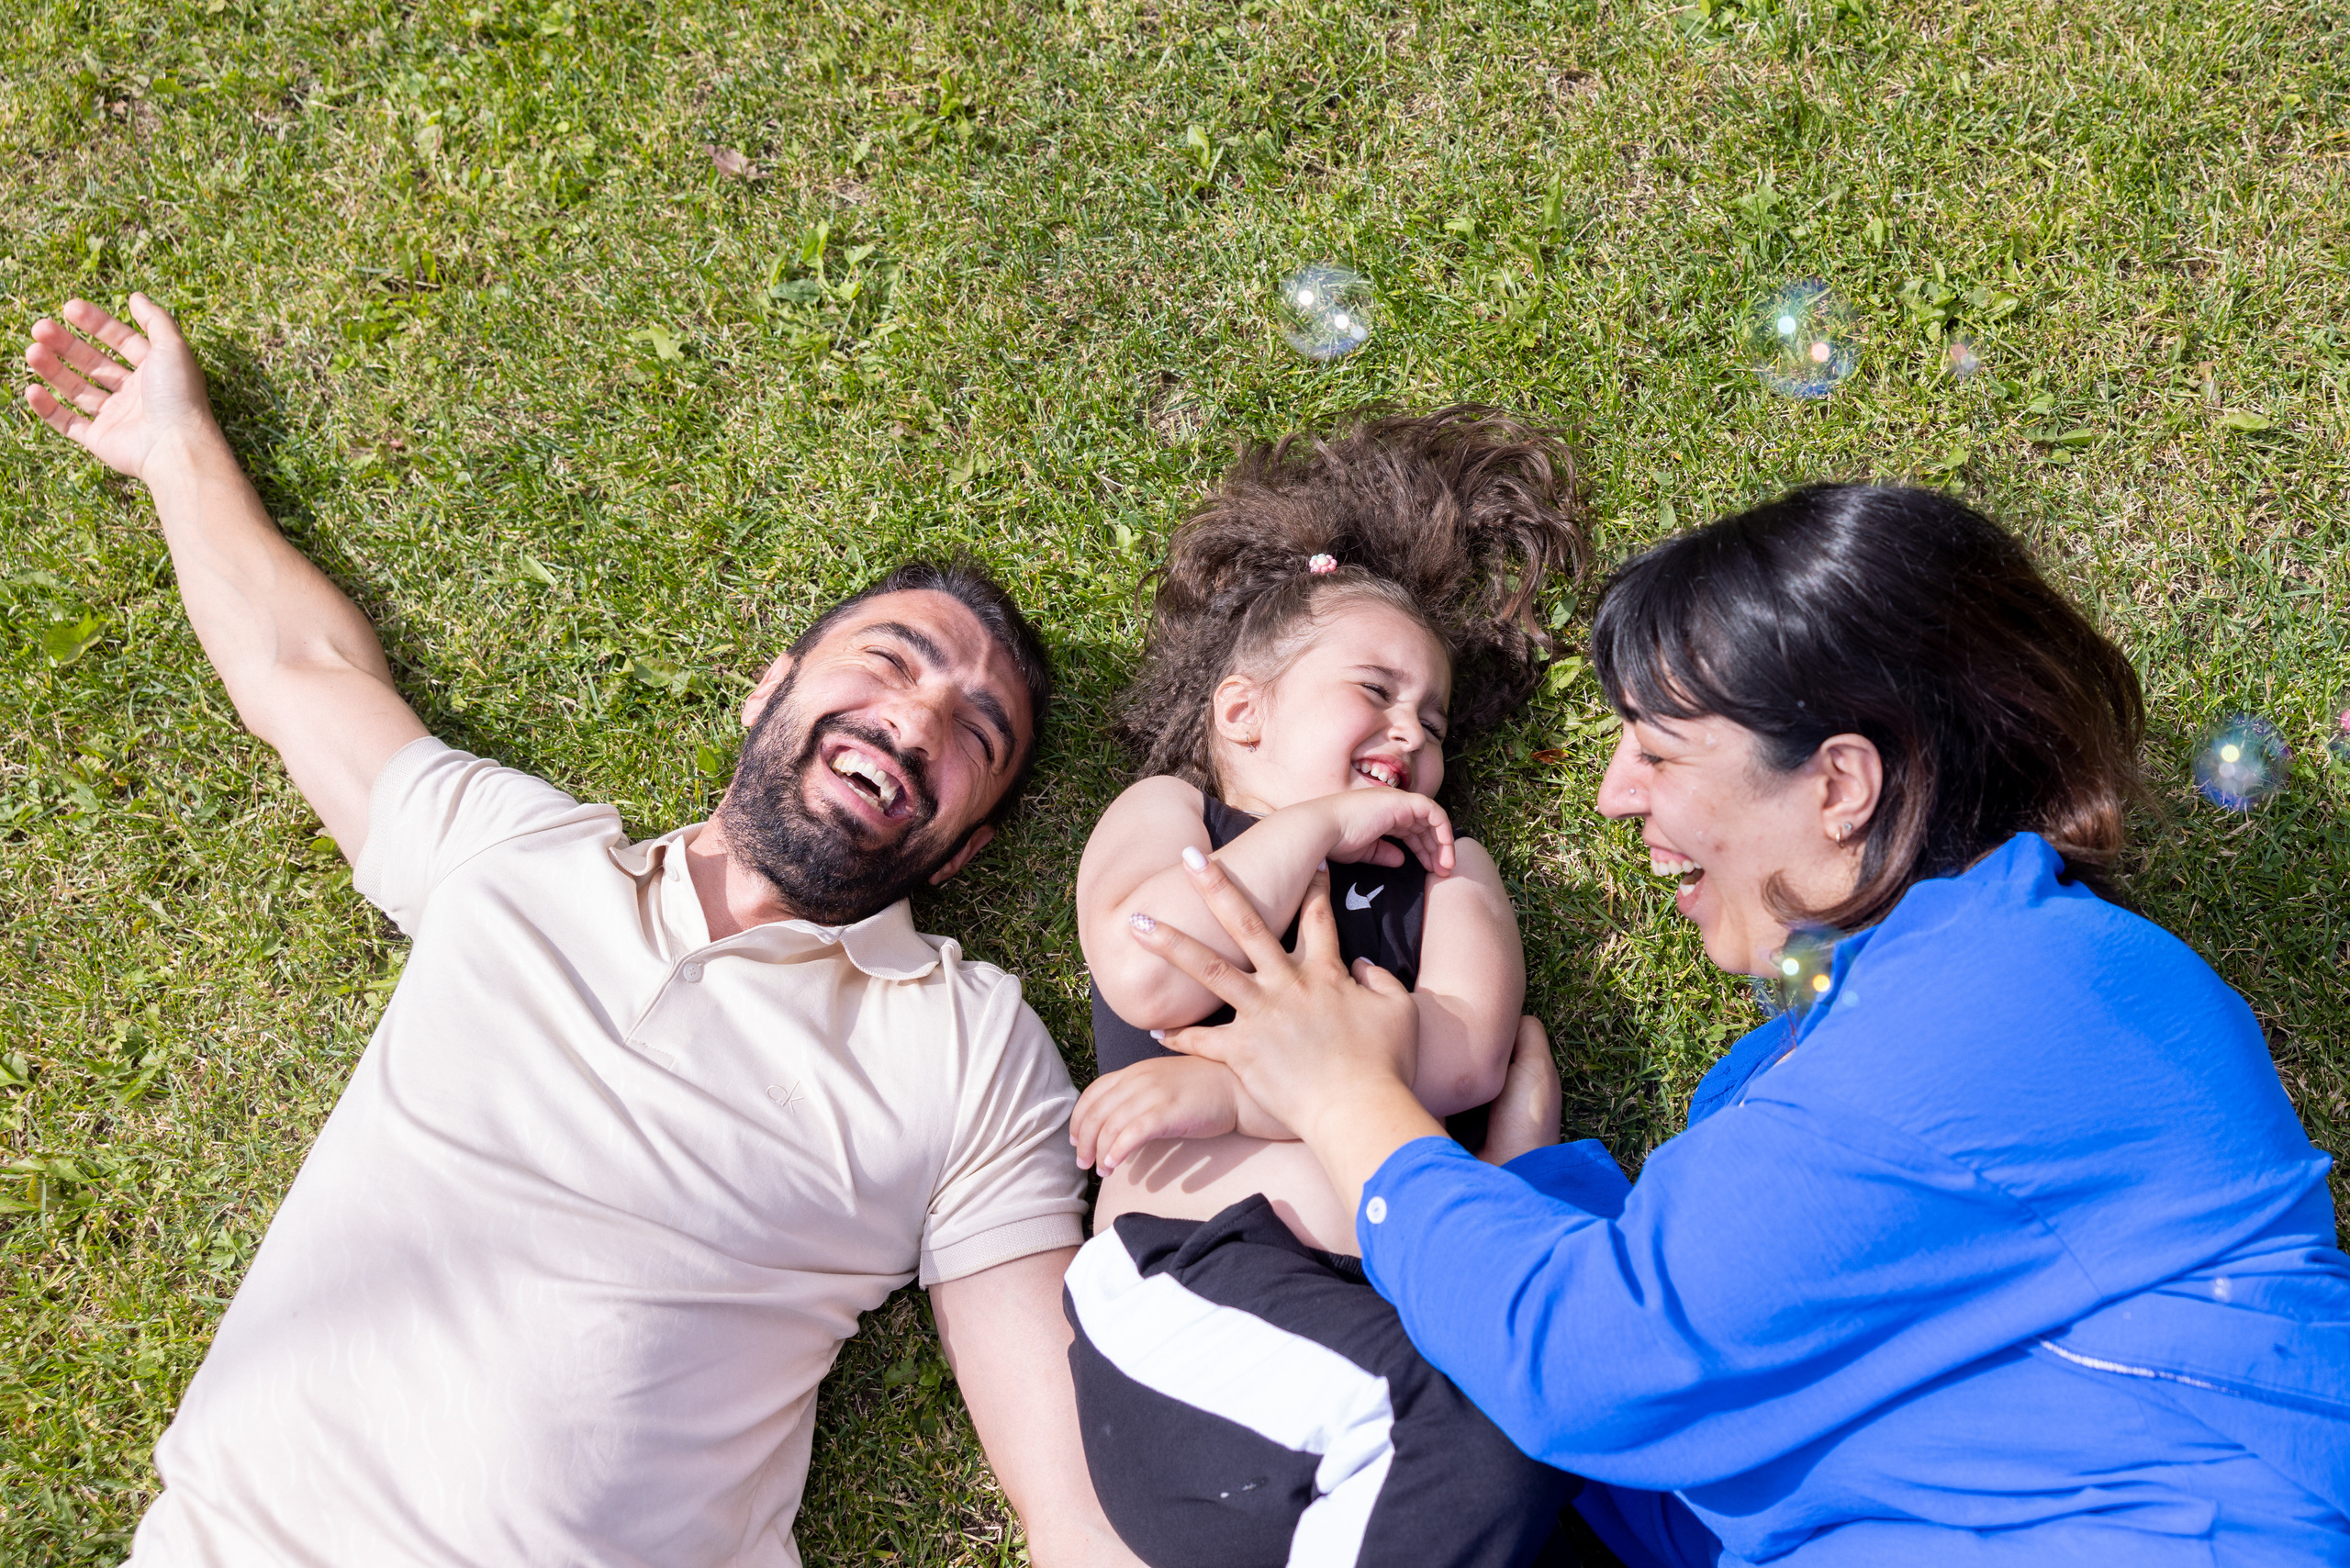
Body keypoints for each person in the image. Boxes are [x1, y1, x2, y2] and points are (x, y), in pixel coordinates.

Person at [21, 296, 1142, 1568]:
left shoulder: (967, 1048)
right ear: (770, 684)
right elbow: (300, 675)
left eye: (975, 736)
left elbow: (1072, 1495)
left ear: (966, 848)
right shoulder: (517, 856)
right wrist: (174, 448)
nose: (918, 719)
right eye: (891, 660)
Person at [1123, 484, 2350, 1567]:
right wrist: (1528, 1171)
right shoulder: (1860, 1030)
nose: (1613, 796)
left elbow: (1597, 1364)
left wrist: (1352, 1105)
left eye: (1656, 751)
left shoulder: (2032, 995)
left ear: (1839, 783)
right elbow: (1691, 1419)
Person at [1062, 408, 1591, 1568]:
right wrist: (1319, 825)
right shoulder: (1176, 819)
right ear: (1240, 713)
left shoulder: (1448, 870)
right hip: (1197, 1282)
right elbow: (1149, 962)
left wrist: (1236, 1100)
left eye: (1433, 721)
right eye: (1375, 690)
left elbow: (1458, 1057)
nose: (1409, 734)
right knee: (1481, 1437)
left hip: (1413, 1302)